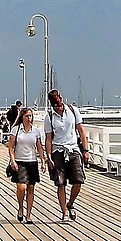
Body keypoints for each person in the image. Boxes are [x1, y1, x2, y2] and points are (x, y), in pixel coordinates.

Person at [41, 90, 91, 221]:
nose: (58, 107)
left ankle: (71, 203)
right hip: (58, 151)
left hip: (73, 149)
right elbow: (48, 139)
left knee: (78, 180)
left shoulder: (72, 111)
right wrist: (49, 157)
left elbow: (81, 130)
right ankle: (64, 211)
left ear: (61, 99)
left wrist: (86, 150)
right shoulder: (49, 117)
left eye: (59, 104)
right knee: (60, 183)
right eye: (55, 105)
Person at [7, 105, 43, 221]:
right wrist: (13, 160)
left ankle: (29, 214)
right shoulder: (16, 130)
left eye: (31, 116)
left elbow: (39, 147)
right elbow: (11, 147)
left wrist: (43, 161)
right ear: (22, 117)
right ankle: (21, 208)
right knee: (21, 187)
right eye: (27, 116)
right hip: (20, 161)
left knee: (31, 188)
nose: (29, 118)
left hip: (32, 161)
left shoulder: (36, 131)